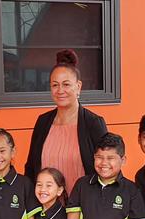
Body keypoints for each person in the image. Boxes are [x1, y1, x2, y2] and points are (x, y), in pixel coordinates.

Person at [25, 49, 107, 194]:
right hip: (47, 211)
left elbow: (106, 168)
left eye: (66, 84)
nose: (60, 90)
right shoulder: (43, 122)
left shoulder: (93, 123)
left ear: (78, 87)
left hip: (84, 210)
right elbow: (31, 168)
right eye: (55, 85)